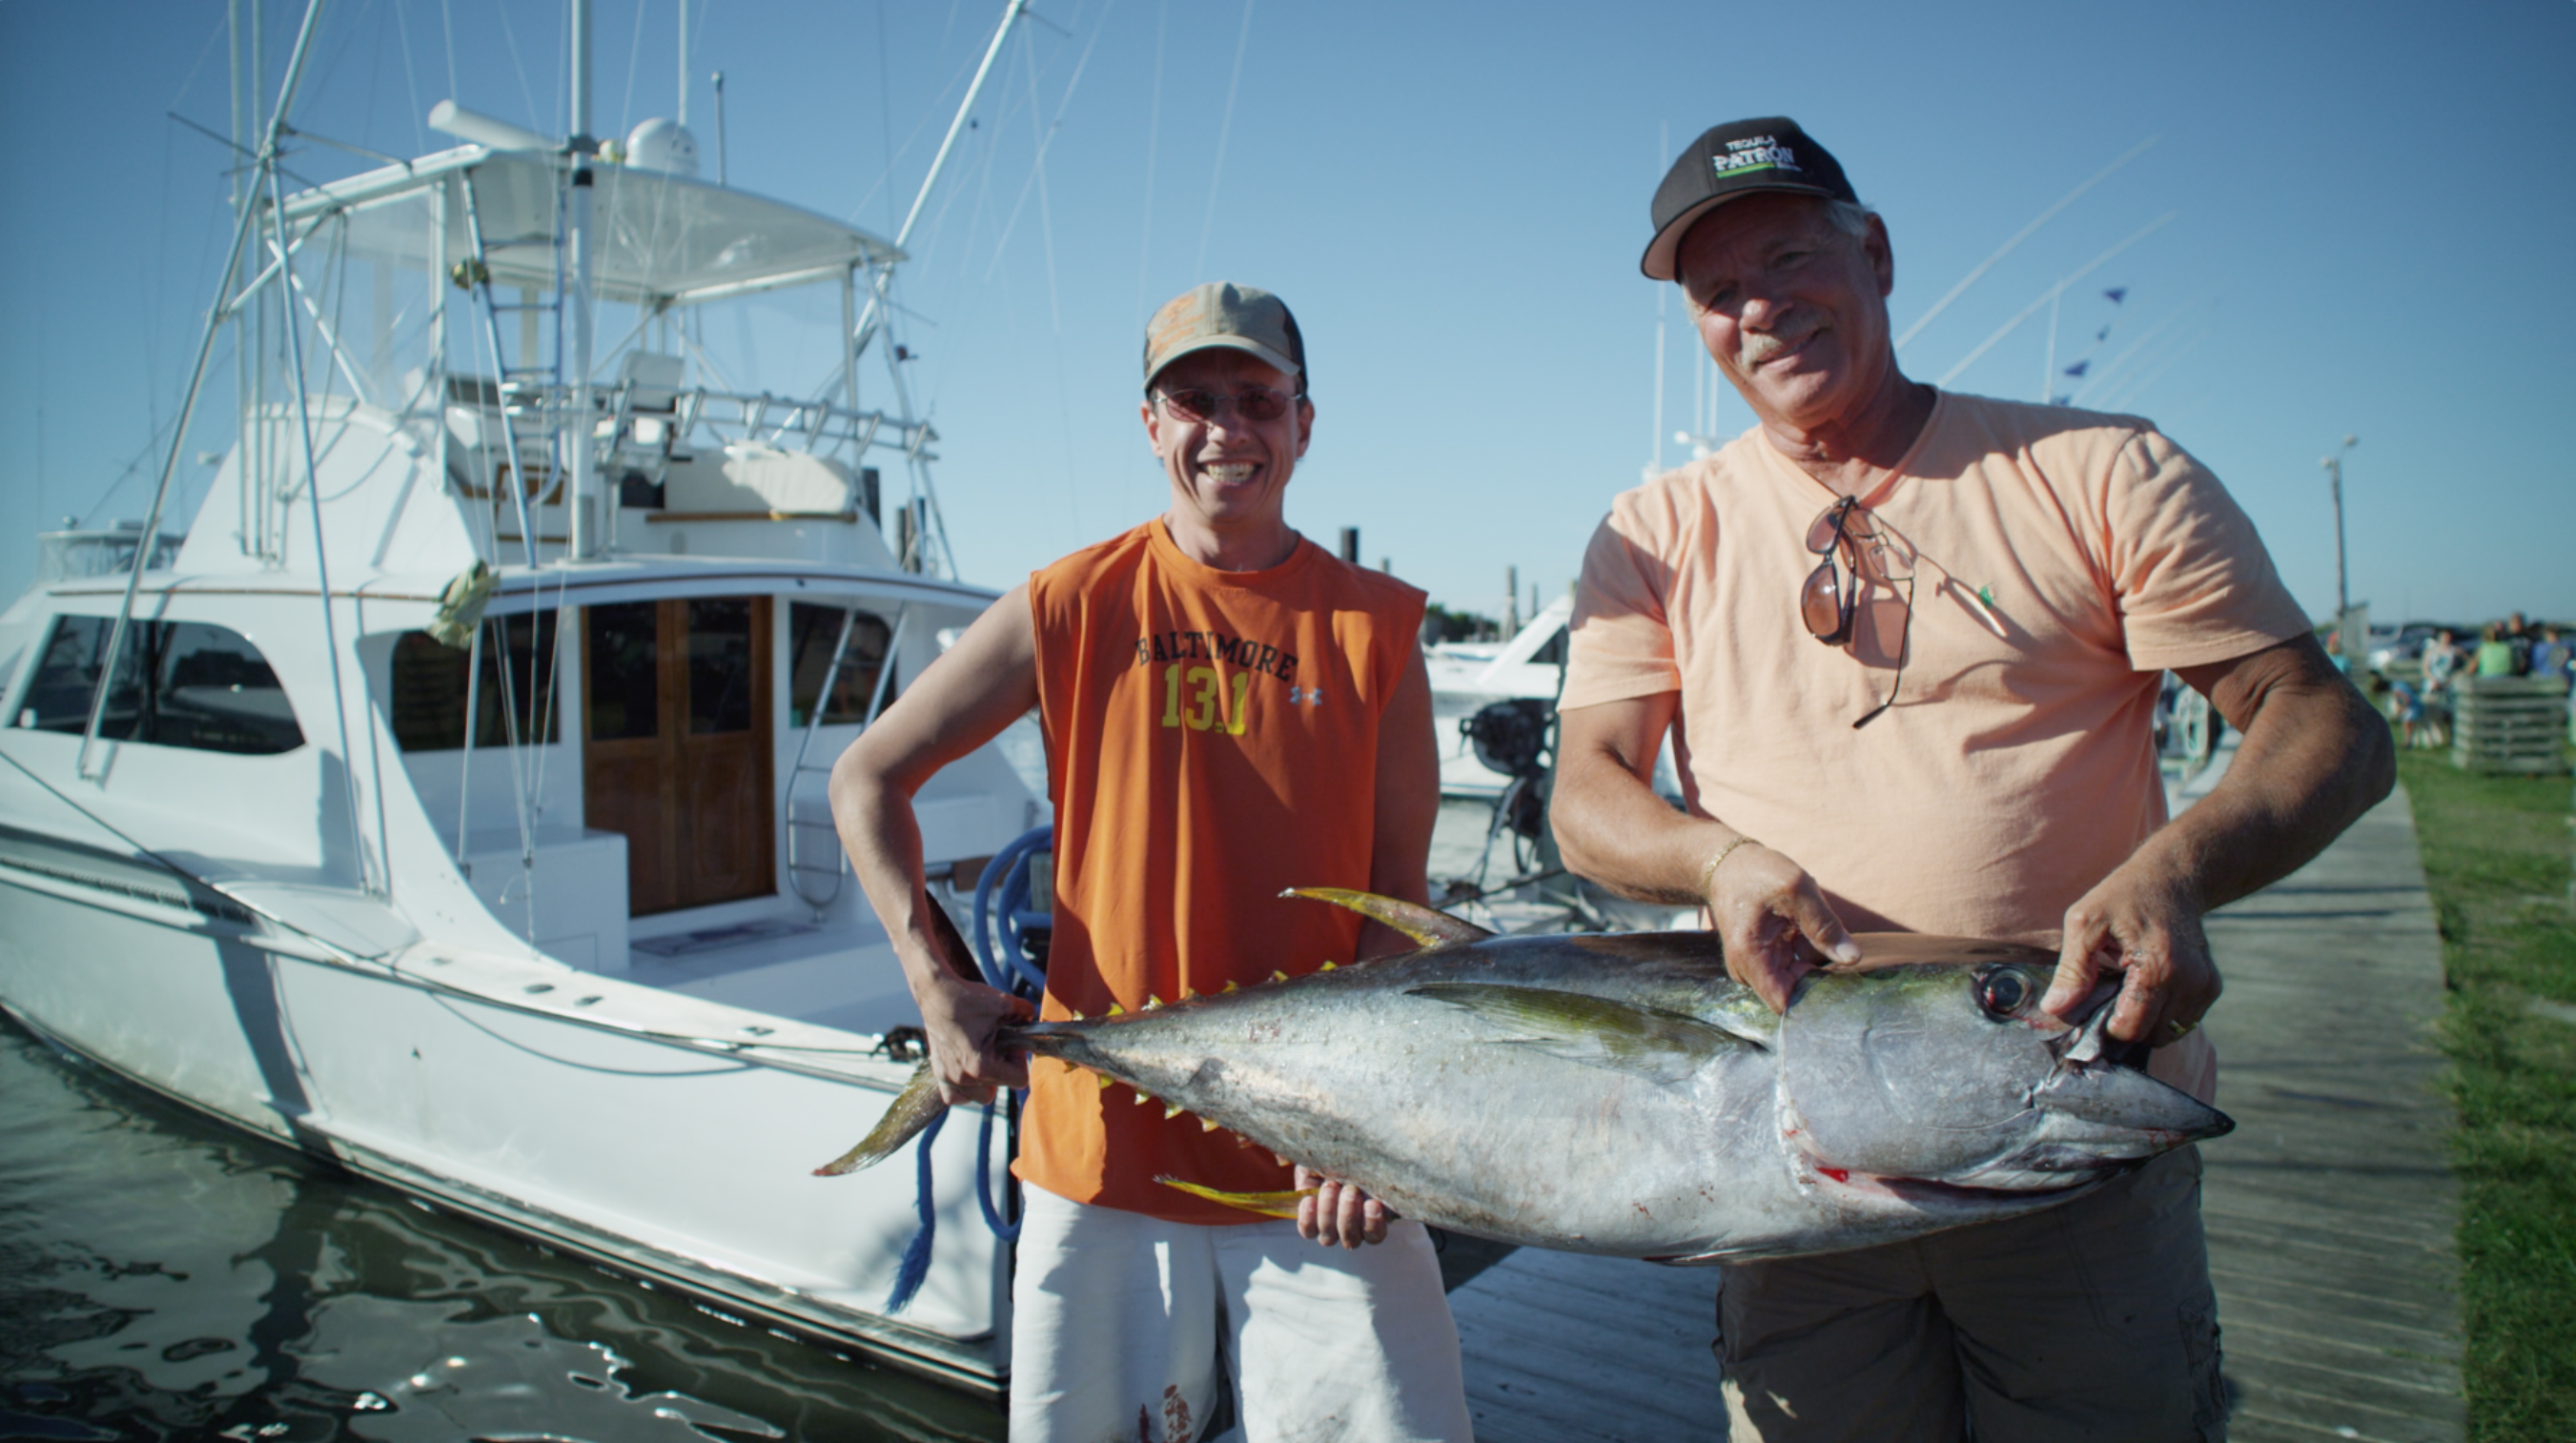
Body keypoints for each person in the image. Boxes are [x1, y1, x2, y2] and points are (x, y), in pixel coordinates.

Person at [1547, 117, 2395, 1440]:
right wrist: (1711, 858)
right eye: (1719, 291)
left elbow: (2320, 720)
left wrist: (2175, 869)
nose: (1759, 306)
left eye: (1786, 255)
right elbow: (1587, 787)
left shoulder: (2098, 467)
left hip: (2064, 1132)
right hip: (1788, 1163)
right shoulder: (1653, 530)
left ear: (1872, 252)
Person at [829, 281, 1471, 1442]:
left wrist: (1363, 1129)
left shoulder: (1378, 627)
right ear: (1149, 422)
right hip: (1097, 1155)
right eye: (1194, 400)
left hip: (1315, 1165)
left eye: (1257, 399)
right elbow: (865, 779)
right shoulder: (1067, 604)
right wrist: (938, 984)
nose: (1227, 428)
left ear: (1303, 422)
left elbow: (1397, 909)